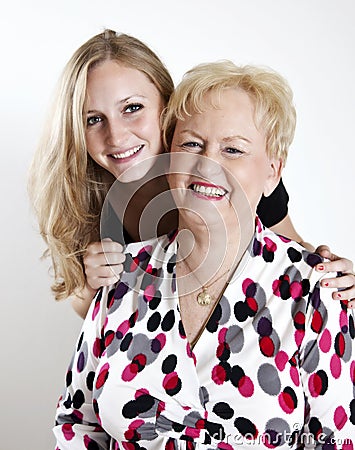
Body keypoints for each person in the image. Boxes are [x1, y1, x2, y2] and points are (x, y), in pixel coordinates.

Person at [53, 60, 354, 448]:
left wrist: (328, 271)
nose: (208, 165)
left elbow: (336, 440)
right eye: (192, 144)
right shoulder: (123, 276)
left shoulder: (314, 294)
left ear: (273, 173)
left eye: (233, 149)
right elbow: (76, 422)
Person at [28, 29, 355, 321]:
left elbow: (292, 251)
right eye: (93, 119)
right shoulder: (82, 196)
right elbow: (85, 307)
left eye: (132, 108)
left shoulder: (230, 177)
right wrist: (90, 285)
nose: (116, 136)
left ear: (166, 106)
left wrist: (334, 274)